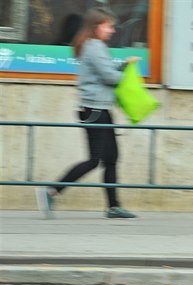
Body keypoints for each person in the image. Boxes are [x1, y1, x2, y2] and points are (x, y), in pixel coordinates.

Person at [36, 7, 140, 219]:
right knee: (95, 160)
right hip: (94, 110)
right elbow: (109, 77)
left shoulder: (95, 46)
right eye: (108, 26)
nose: (111, 30)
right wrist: (129, 73)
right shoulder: (94, 47)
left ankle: (113, 206)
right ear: (96, 27)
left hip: (100, 109)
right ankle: (51, 191)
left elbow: (106, 73)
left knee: (111, 158)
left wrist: (122, 65)